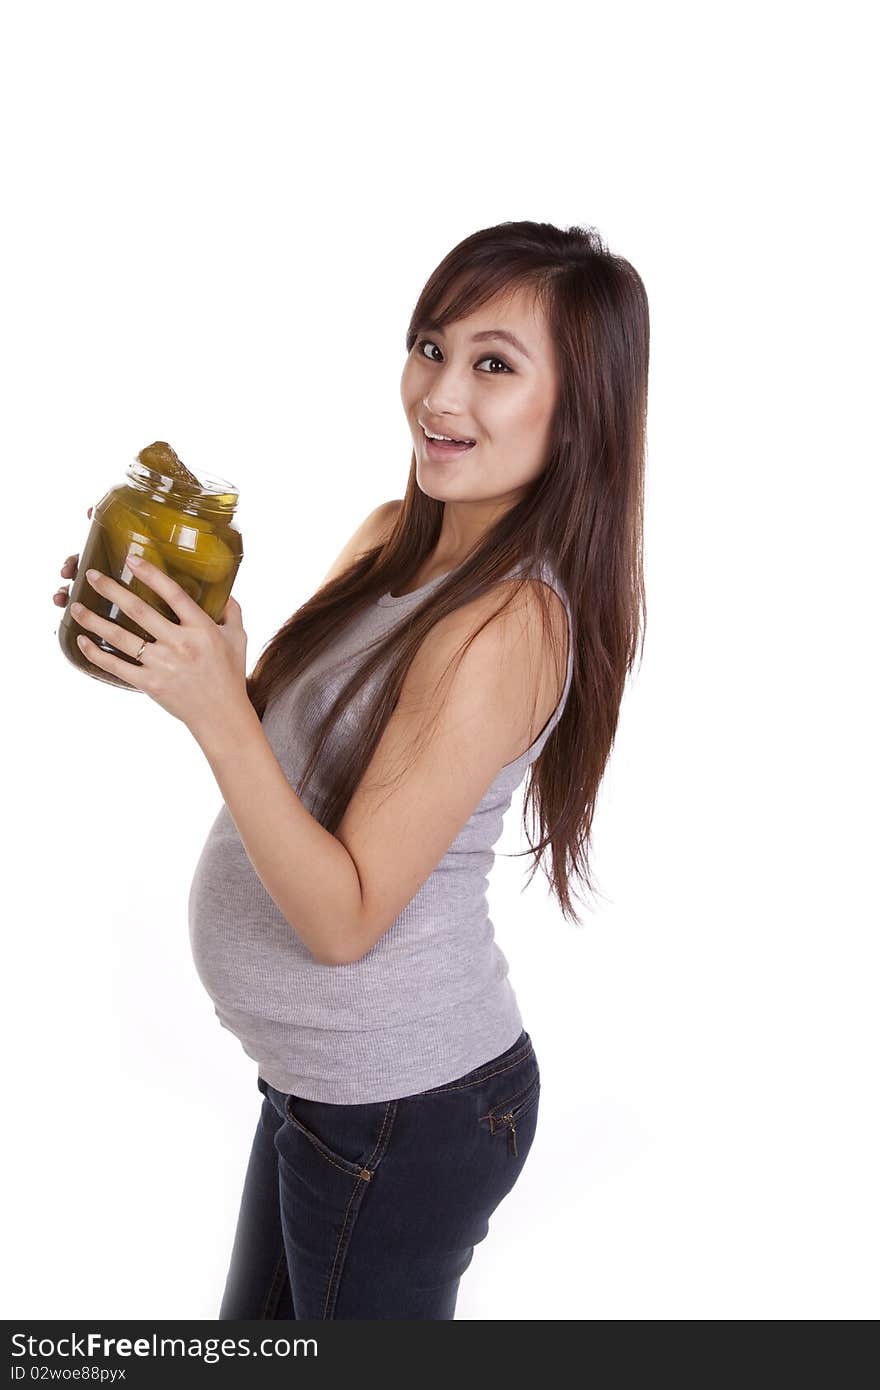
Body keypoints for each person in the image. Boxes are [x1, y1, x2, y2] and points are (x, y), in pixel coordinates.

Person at [52, 219, 649, 1319]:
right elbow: (281, 753)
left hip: (405, 1108)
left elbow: (345, 922)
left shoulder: (511, 626)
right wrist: (183, 644)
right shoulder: (390, 537)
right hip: (323, 1092)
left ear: (577, 414)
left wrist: (216, 716)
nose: (439, 393)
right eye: (430, 346)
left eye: (494, 365)